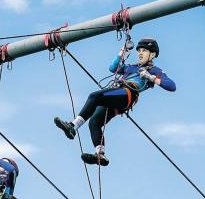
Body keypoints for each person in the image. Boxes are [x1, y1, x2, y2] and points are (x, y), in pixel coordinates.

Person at [54, 37, 176, 166]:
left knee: (94, 97)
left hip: (127, 93)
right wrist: (123, 51)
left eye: (144, 51)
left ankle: (73, 127)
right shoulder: (131, 67)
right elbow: (113, 68)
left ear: (152, 54)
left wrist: (151, 77)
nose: (140, 53)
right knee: (94, 122)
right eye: (139, 50)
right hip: (117, 97)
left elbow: (171, 86)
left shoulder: (154, 70)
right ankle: (100, 154)